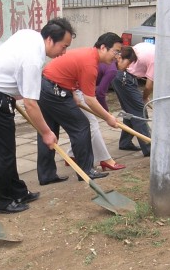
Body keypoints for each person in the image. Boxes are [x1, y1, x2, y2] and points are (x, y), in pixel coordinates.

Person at [0, 18, 75, 214]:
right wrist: (46, 132)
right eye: (63, 46)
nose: (64, 52)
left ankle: (17, 191)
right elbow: (30, 103)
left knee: (7, 150)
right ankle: (1, 201)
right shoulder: (33, 58)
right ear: (50, 40)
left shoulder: (30, 35)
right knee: (0, 153)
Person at [37, 32, 122, 185]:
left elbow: (68, 72)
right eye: (115, 51)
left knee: (48, 131)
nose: (116, 56)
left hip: (47, 86)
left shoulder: (88, 55)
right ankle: (86, 170)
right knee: (81, 126)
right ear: (103, 47)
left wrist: (72, 92)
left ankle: (47, 175)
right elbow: (90, 99)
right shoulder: (90, 63)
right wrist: (108, 117)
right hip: (53, 91)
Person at [67, 46, 138, 171]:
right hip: (77, 91)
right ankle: (105, 159)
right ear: (120, 58)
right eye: (128, 63)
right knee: (93, 124)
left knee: (86, 124)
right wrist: (107, 115)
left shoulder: (110, 67)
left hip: (78, 90)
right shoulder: (112, 70)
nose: (128, 67)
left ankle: (72, 155)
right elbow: (100, 93)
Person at [112, 40, 153, 156]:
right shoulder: (157, 59)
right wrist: (144, 98)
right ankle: (149, 147)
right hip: (124, 77)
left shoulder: (148, 47)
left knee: (130, 110)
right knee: (140, 111)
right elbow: (149, 86)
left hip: (124, 76)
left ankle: (125, 142)